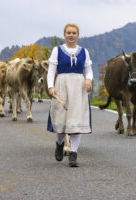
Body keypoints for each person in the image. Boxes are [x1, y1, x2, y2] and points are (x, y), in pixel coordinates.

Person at [47, 23, 93, 167]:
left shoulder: (84, 51)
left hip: (79, 87)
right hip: (62, 84)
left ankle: (73, 154)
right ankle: (59, 144)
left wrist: (88, 79)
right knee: (61, 117)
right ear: (64, 35)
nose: (71, 35)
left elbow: (89, 70)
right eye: (68, 33)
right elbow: (51, 70)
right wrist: (50, 86)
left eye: (74, 33)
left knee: (76, 118)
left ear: (78, 35)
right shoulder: (57, 50)